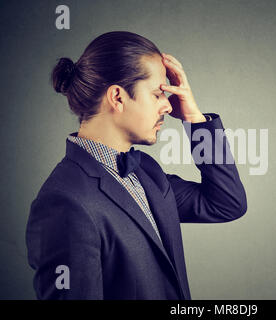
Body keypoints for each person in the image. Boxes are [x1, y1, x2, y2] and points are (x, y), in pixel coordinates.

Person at [25, 31, 247, 300]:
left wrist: (194, 118)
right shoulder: (64, 202)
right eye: (157, 94)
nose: (168, 105)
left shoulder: (147, 172)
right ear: (117, 97)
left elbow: (226, 203)